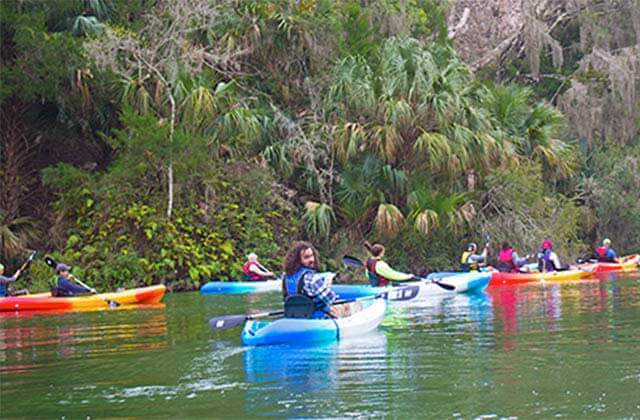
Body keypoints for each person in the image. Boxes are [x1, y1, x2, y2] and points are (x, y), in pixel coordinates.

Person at [282, 241, 354, 319]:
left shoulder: (285, 277)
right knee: (346, 307)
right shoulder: (312, 279)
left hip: (294, 317)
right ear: (297, 260)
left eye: (312, 256)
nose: (312, 259)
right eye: (306, 257)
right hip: (316, 318)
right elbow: (331, 298)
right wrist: (327, 285)